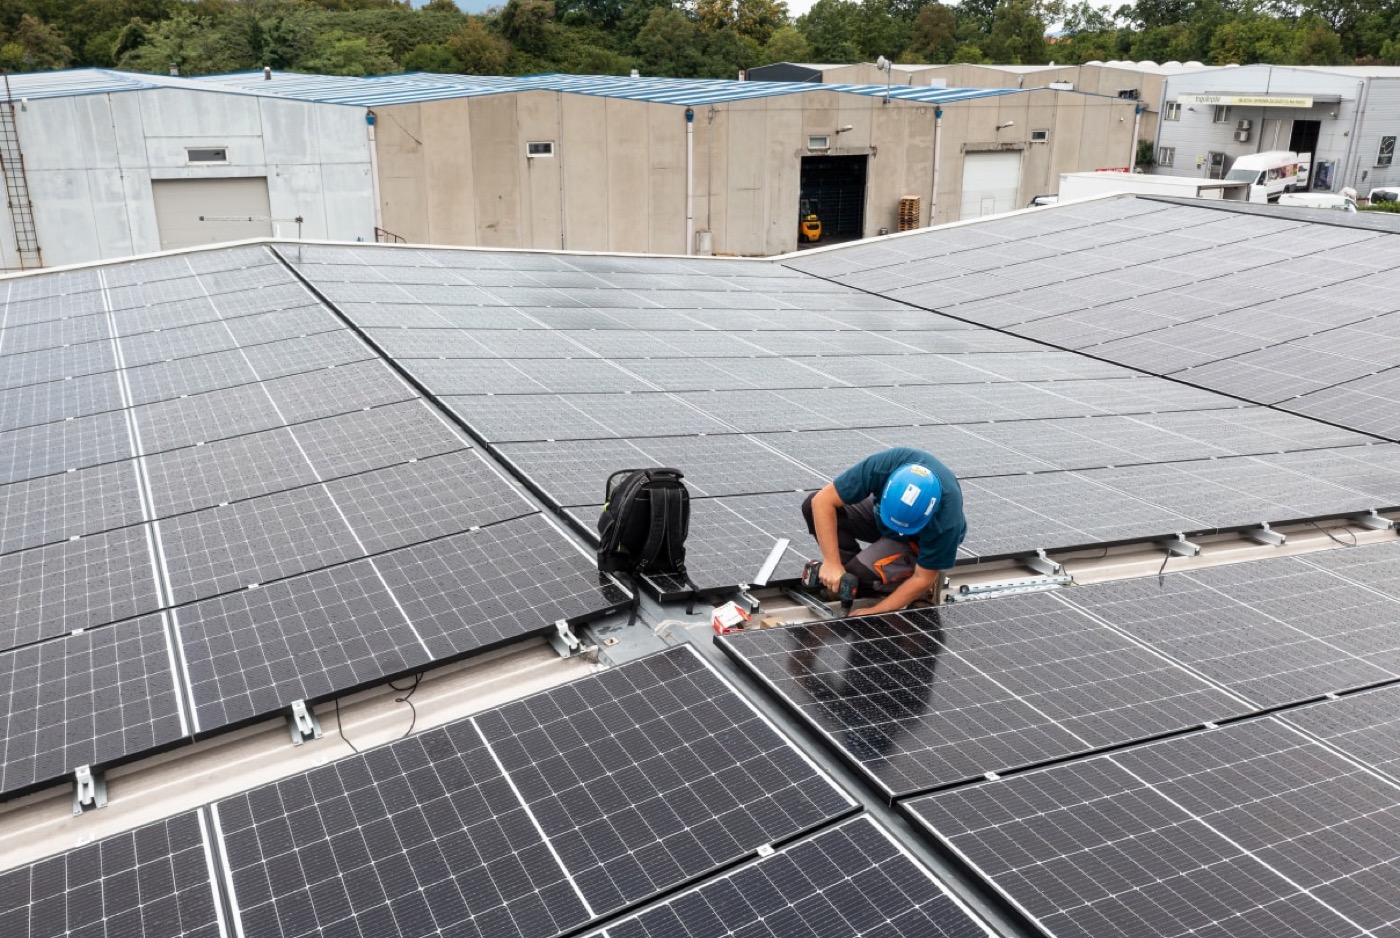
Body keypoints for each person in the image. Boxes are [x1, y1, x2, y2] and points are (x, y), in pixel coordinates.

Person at [801, 447, 965, 615]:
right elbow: (822, 501)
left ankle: (885, 582)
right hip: (880, 515)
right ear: (888, 487)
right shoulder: (884, 466)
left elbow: (922, 579)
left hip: (915, 541)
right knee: (812, 507)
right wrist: (832, 563)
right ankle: (850, 577)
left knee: (858, 575)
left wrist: (876, 610)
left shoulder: (946, 524)